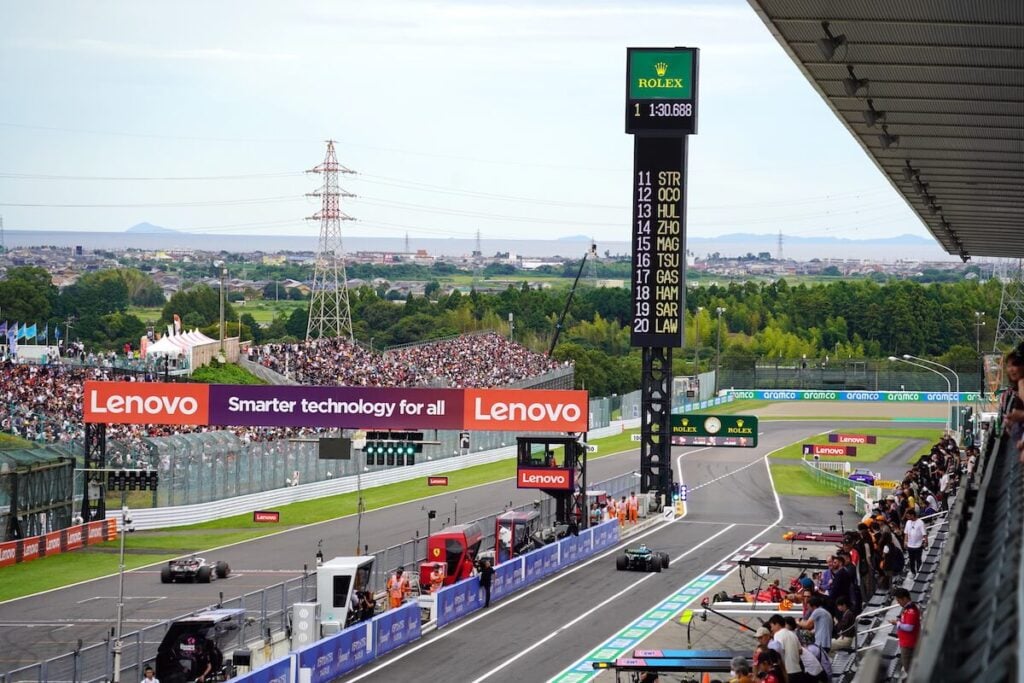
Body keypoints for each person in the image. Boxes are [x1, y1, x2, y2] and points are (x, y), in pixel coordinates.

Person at [890, 587, 921, 675]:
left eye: (899, 600)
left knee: (908, 667)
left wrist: (897, 623)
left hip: (909, 644)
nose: (898, 603)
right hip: (906, 643)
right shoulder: (908, 609)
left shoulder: (911, 611)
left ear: (904, 598)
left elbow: (909, 627)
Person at [903, 508, 927, 575]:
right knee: (911, 561)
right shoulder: (908, 522)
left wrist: (926, 542)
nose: (907, 518)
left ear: (912, 515)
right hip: (910, 546)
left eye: (908, 516)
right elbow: (906, 533)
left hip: (918, 546)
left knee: (918, 560)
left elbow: (924, 534)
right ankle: (913, 572)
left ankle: (919, 573)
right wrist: (905, 542)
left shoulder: (920, 523)